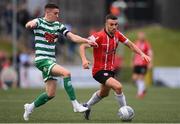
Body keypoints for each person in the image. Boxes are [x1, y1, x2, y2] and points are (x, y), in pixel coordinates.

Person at [23, 3, 97, 121]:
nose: (58, 15)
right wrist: (29, 24)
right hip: (42, 60)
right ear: (47, 12)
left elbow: (72, 36)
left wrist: (87, 40)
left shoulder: (58, 25)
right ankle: (76, 105)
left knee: (50, 94)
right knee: (66, 73)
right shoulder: (39, 22)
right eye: (55, 13)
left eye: (58, 13)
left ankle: (29, 107)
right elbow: (30, 24)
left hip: (51, 60)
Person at [79, 14, 151, 120]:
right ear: (106, 24)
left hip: (110, 71)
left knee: (104, 93)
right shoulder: (98, 36)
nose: (114, 27)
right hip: (99, 70)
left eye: (116, 24)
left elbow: (131, 45)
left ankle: (86, 106)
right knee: (118, 86)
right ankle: (125, 112)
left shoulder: (118, 34)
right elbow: (82, 45)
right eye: (111, 24)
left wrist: (142, 54)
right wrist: (84, 60)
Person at [132, 32, 153, 99]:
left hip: (143, 64)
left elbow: (150, 53)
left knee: (141, 78)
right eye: (140, 36)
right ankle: (143, 89)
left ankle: (140, 93)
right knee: (134, 78)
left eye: (142, 36)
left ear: (144, 36)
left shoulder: (147, 44)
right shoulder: (136, 42)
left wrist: (150, 62)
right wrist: (132, 61)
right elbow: (134, 52)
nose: (141, 37)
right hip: (136, 64)